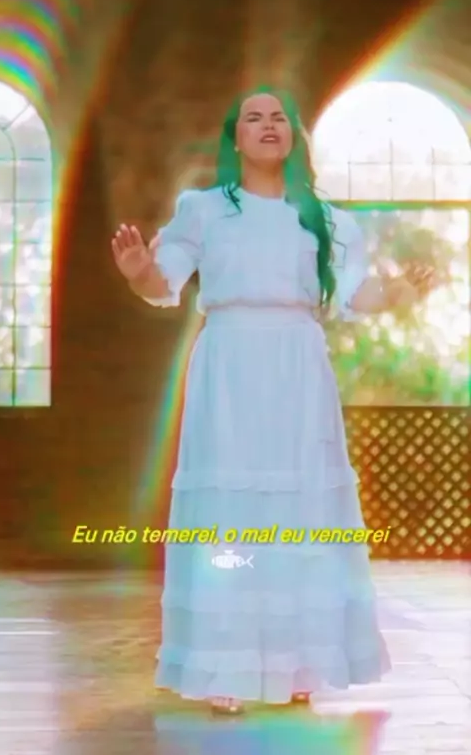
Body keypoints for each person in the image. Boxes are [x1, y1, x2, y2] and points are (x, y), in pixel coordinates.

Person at [112, 86, 437, 715]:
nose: (267, 125)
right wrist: (138, 273)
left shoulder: (326, 218)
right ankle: (224, 664)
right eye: (253, 118)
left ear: (294, 135)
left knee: (300, 507)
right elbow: (162, 280)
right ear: (235, 139)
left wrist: (397, 293)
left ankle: (297, 661)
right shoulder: (203, 210)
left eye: (278, 117)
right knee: (229, 509)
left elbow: (356, 293)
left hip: (298, 366)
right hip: (229, 365)